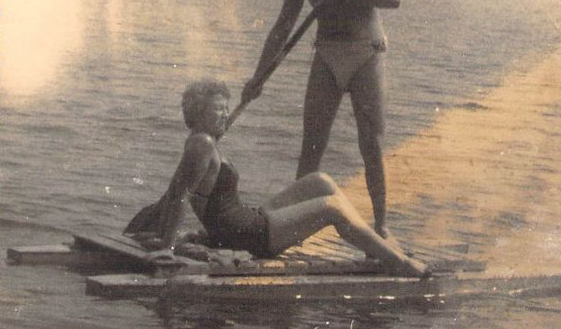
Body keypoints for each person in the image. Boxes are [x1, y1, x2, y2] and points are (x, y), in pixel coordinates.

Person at [150, 79, 426, 276]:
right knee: (332, 207)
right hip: (250, 235)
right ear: (198, 114)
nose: (225, 114)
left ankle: (372, 245)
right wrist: (167, 246)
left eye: (226, 108)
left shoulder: (204, 140)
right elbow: (179, 195)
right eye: (217, 110)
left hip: (244, 220)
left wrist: (250, 94)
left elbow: (183, 191)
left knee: (320, 180)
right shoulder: (203, 145)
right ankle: (397, 260)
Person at [241, 0, 399, 237]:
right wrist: (258, 77)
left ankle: (382, 224)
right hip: (327, 54)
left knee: (371, 143)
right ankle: (292, 225)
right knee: (311, 145)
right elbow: (282, 29)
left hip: (366, 53)